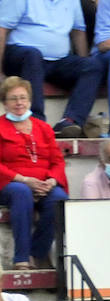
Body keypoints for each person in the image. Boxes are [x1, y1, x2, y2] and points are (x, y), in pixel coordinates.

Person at [0, 0, 104, 137]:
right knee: (33, 55)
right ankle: (36, 121)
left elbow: (78, 31)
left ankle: (70, 122)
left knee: (92, 65)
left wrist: (82, 62)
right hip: (20, 56)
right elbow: (2, 30)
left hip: (58, 60)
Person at [0, 77, 64, 271]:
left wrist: (51, 182)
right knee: (22, 192)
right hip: (10, 183)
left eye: (23, 98)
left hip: (43, 183)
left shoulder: (43, 127)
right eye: (13, 99)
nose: (19, 103)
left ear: (29, 101)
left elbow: (58, 160)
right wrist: (24, 180)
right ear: (4, 103)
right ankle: (21, 257)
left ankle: (38, 253)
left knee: (59, 198)